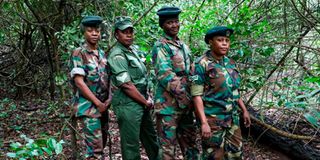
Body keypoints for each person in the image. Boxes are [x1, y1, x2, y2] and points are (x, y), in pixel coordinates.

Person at [191, 26, 251, 160]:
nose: (224, 43)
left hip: (232, 119)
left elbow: (234, 90)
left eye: (227, 40)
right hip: (213, 120)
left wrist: (244, 110)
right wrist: (203, 123)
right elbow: (196, 96)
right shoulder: (201, 64)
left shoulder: (230, 63)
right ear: (210, 42)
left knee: (236, 154)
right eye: (220, 40)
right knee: (215, 156)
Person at [107, 16, 159, 160]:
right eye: (125, 32)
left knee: (151, 139)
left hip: (141, 101)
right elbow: (126, 85)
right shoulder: (117, 55)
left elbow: (142, 78)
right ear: (117, 34)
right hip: (128, 104)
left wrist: (147, 97)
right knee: (131, 145)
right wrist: (144, 102)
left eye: (131, 31)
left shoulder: (132, 51)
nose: (129, 35)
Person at [151, 6, 200, 160]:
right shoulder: (161, 46)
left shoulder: (184, 46)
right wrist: (186, 97)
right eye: (170, 22)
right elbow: (165, 75)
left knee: (190, 144)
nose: (174, 25)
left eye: (176, 22)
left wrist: (196, 92)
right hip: (168, 107)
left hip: (186, 106)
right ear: (163, 25)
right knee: (167, 148)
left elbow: (192, 72)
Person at [69, 15, 111, 159]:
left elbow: (109, 79)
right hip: (88, 108)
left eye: (97, 30)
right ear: (84, 32)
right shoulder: (79, 53)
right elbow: (79, 82)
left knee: (102, 144)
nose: (94, 33)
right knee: (95, 150)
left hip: (103, 108)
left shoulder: (102, 54)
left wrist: (107, 101)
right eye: (90, 30)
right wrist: (98, 103)